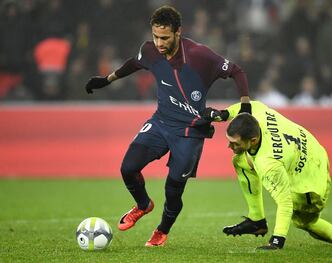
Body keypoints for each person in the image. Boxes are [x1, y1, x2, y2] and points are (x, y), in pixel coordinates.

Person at [84, 6, 251, 247]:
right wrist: (107, 80)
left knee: (173, 189)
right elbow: (134, 63)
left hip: (190, 133)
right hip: (161, 123)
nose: (159, 43)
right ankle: (143, 205)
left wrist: (245, 107)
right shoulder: (150, 51)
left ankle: (162, 230)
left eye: (165, 37)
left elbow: (237, 71)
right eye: (155, 36)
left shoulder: (199, 55)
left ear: (178, 33)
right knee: (127, 168)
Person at [202, 101, 332, 250]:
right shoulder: (259, 114)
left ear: (253, 140)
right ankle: (256, 220)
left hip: (313, 183)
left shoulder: (268, 163)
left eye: (235, 143)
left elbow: (285, 203)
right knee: (241, 161)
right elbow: (249, 105)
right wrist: (224, 114)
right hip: (314, 151)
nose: (229, 145)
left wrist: (277, 240)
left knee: (303, 222)